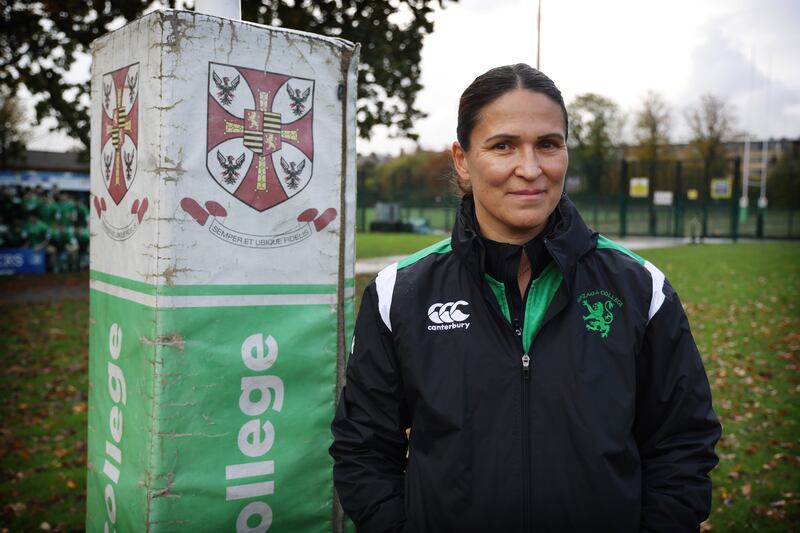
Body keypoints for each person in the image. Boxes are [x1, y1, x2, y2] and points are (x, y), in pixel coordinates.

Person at [330, 64, 721, 532]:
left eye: (548, 145)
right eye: (503, 146)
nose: (531, 169)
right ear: (462, 160)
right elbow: (364, 450)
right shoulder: (399, 294)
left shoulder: (641, 289)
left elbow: (683, 445)